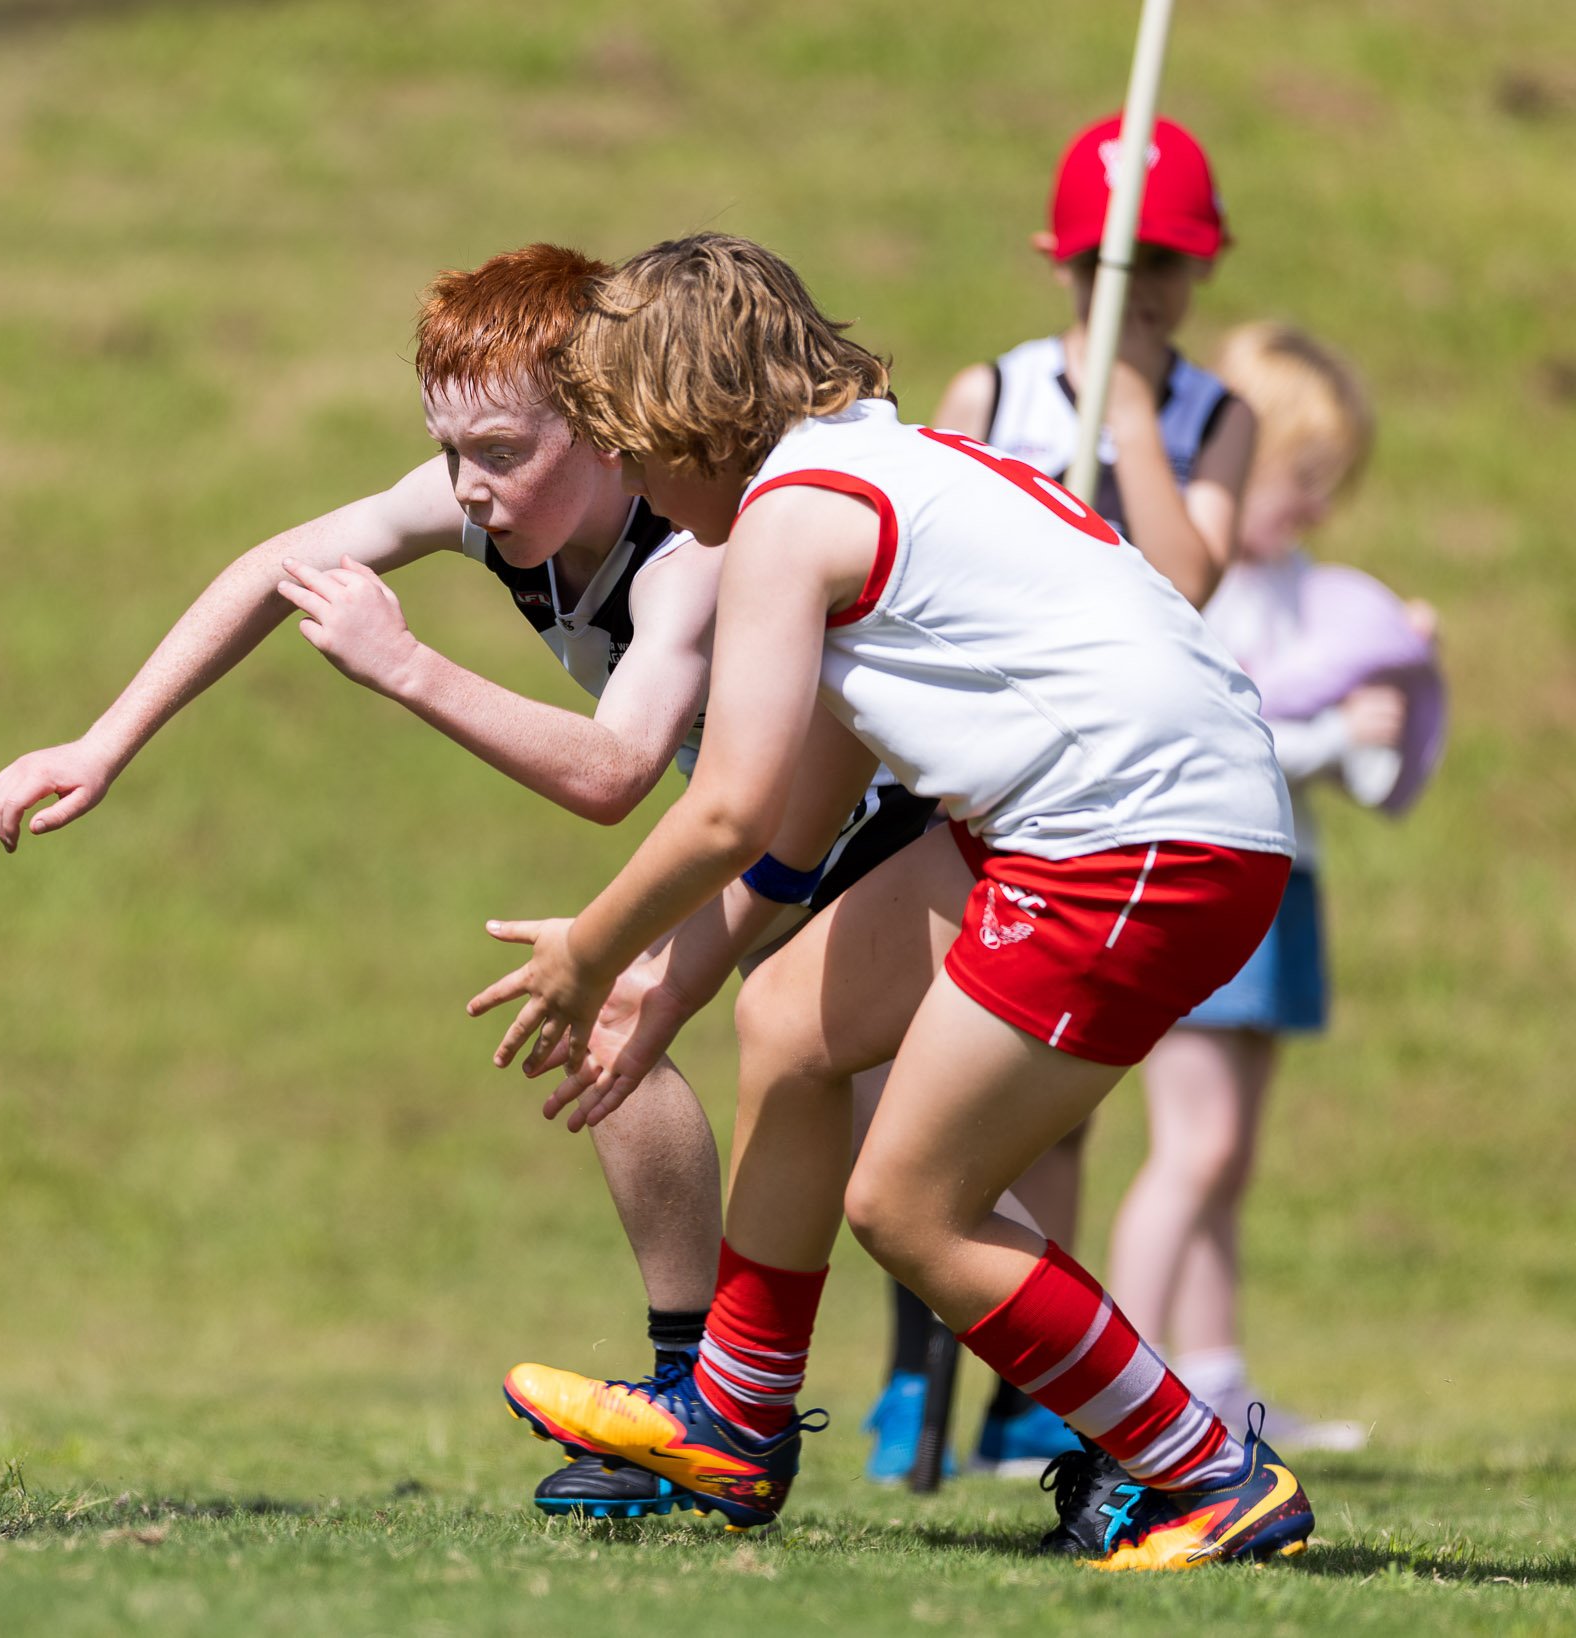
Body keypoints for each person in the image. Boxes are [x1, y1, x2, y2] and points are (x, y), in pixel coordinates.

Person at [0, 243, 933, 1521]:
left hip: (887, 835)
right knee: (614, 1028)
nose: (465, 490)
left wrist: (407, 668)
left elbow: (613, 771)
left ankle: (1109, 1432)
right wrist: (102, 740)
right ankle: (689, 1404)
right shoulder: (490, 500)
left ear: (606, 427)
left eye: (498, 452)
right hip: (759, 841)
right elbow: (275, 564)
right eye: (448, 453)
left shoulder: (693, 552)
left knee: (917, 1180)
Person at [480, 232, 1314, 1568]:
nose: (626, 476)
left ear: (688, 419)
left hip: (1133, 836)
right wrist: (670, 982)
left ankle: (1207, 1468)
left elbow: (725, 808)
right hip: (1118, 818)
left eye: (627, 443)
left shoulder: (787, 520)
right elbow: (804, 815)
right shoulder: (871, 472)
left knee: (912, 1205)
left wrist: (591, 946)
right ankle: (735, 1417)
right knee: (790, 1022)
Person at [867, 111, 1261, 1483]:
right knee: (904, 1072)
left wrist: (1137, 416)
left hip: (1120, 798)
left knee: (1057, 1095)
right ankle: (903, 1370)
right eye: (1112, 259)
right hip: (979, 783)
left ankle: (1032, 1392)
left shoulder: (1219, 414)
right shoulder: (995, 391)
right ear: (1061, 260)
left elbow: (1189, 575)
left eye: (1165, 259)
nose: (1139, 285)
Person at [1104, 321, 1433, 1452]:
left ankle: (1215, 1383)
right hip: (1204, 880)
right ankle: (1115, 1390)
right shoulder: (1198, 591)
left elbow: (1371, 765)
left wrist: (1378, 725)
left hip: (1284, 887)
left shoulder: (1307, 592)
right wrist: (1335, 733)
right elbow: (1224, 734)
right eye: (1299, 481)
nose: (1313, 508)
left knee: (1226, 1157)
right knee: (1188, 1148)